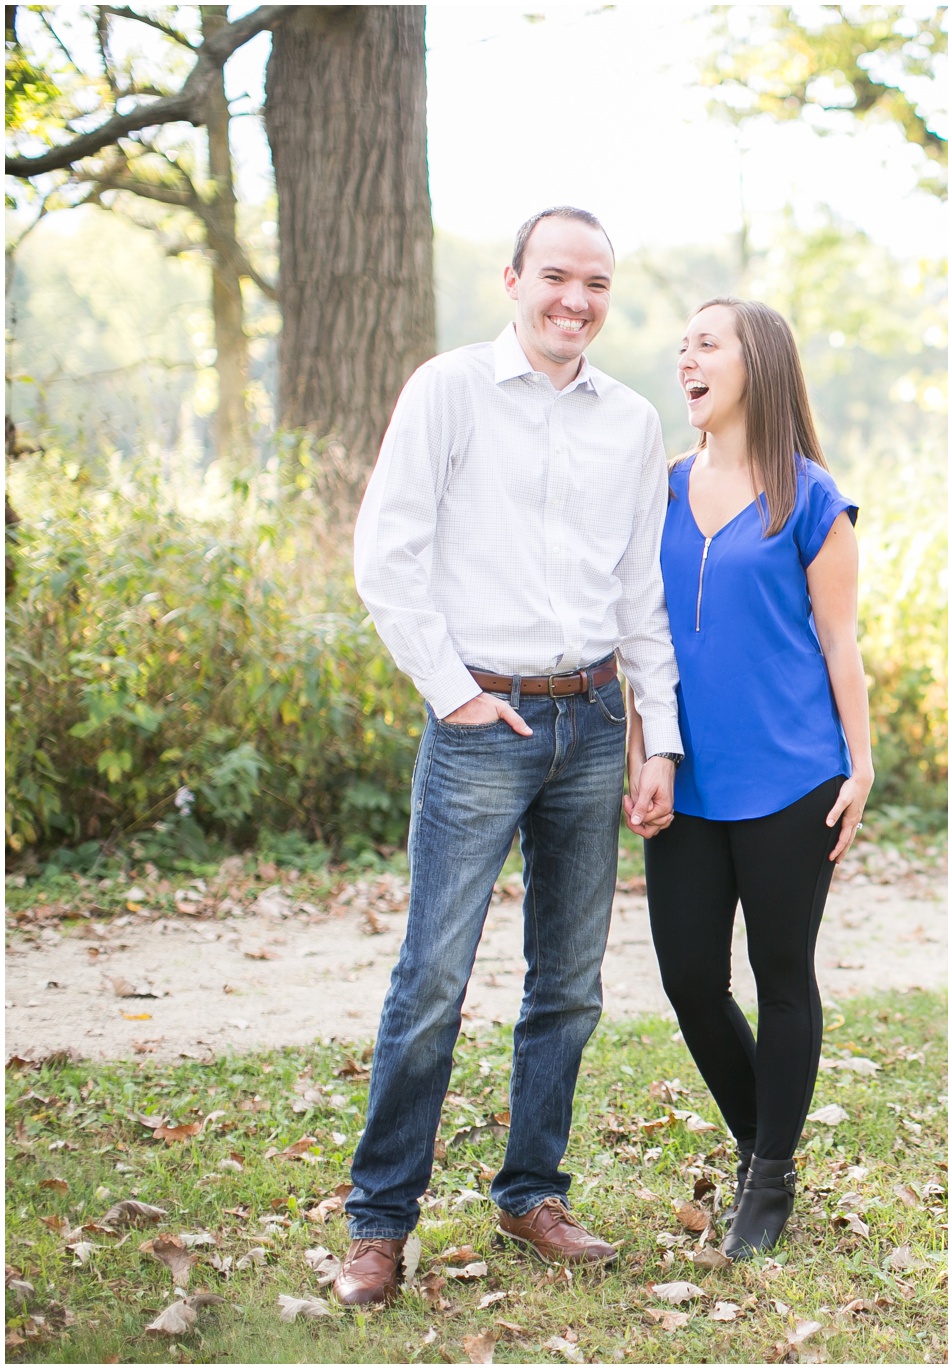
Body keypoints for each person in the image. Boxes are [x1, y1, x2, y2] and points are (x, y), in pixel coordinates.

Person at [339, 206, 683, 1305]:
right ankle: (381, 1223)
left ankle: (531, 1190)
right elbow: (386, 556)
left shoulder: (631, 421)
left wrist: (653, 738)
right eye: (555, 277)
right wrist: (456, 695)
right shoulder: (446, 389)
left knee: (567, 987)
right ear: (512, 279)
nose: (574, 300)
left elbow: (641, 593)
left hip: (589, 723)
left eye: (595, 283)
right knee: (432, 980)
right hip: (480, 720)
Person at [622, 297, 873, 1261]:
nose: (686, 357)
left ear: (755, 365)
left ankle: (766, 1177)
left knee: (782, 978)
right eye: (679, 344)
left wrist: (861, 762)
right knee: (690, 977)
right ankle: (765, 1138)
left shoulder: (812, 496)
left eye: (706, 342)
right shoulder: (662, 486)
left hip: (794, 777)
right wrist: (647, 745)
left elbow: (841, 642)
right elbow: (639, 638)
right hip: (685, 778)